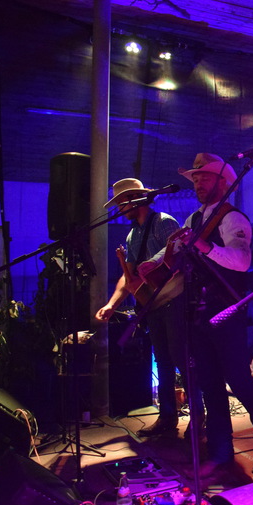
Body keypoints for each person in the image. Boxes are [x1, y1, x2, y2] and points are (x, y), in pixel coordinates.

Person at [138, 153, 253, 478]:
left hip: (227, 313)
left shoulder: (233, 219)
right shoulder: (194, 219)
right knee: (210, 384)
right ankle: (220, 452)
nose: (197, 183)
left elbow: (242, 261)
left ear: (223, 181)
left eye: (204, 177)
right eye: (195, 178)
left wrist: (207, 248)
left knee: (239, 381)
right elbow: (175, 245)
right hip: (198, 313)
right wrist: (155, 261)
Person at [95, 178, 192, 437]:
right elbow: (128, 277)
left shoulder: (163, 222)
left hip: (174, 300)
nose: (119, 209)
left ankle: (198, 417)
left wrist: (155, 268)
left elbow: (181, 256)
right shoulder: (132, 235)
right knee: (163, 362)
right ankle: (167, 418)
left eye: (121, 203)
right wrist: (111, 304)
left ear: (134, 200)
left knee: (181, 359)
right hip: (153, 305)